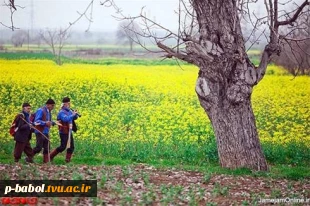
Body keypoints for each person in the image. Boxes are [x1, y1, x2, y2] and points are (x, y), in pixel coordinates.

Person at [50, 97, 79, 163]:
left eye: (69, 103)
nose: (69, 105)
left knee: (71, 146)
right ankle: (50, 156)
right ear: (64, 104)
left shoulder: (69, 111)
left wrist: (75, 114)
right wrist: (72, 115)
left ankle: (67, 160)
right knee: (63, 146)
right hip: (63, 131)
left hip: (69, 131)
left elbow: (75, 118)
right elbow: (65, 119)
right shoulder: (61, 112)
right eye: (68, 103)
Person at [32, 98, 56, 163]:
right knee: (38, 147)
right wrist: (45, 123)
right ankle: (29, 157)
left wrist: (53, 122)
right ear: (48, 105)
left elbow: (48, 121)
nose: (53, 107)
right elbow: (36, 121)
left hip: (45, 131)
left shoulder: (48, 112)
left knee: (47, 147)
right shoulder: (41, 110)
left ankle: (46, 161)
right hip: (40, 131)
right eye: (52, 105)